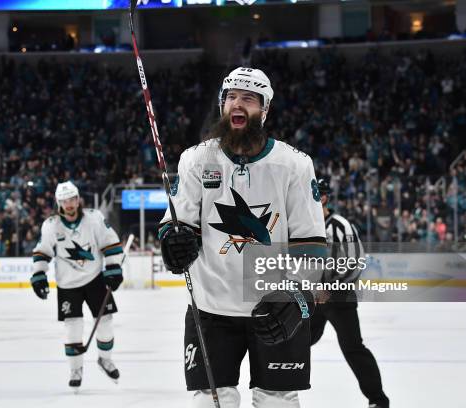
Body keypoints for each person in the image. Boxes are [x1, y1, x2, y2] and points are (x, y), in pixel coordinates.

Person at [158, 67, 327, 407]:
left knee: (278, 402)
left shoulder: (294, 164)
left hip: (274, 305)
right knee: (210, 402)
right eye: (231, 97)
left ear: (264, 110)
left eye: (248, 98)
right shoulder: (196, 159)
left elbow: (310, 244)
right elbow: (178, 225)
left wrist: (297, 296)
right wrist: (173, 243)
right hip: (210, 307)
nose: (237, 103)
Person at [29, 181, 124, 390]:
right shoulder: (51, 225)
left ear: (78, 199)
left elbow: (110, 243)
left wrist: (114, 268)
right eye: (64, 201)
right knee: (73, 329)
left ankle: (105, 359)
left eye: (72, 199)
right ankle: (75, 369)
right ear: (58, 203)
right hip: (67, 284)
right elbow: (43, 251)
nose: (69, 204)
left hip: (95, 279)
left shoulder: (94, 218)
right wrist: (38, 275)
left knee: (106, 322)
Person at [310, 178, 389, 408]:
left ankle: (378, 400)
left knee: (352, 347)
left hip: (339, 299)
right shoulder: (301, 225)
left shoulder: (340, 225)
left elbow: (355, 262)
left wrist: (330, 288)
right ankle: (278, 394)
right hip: (312, 298)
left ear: (323, 198)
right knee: (295, 342)